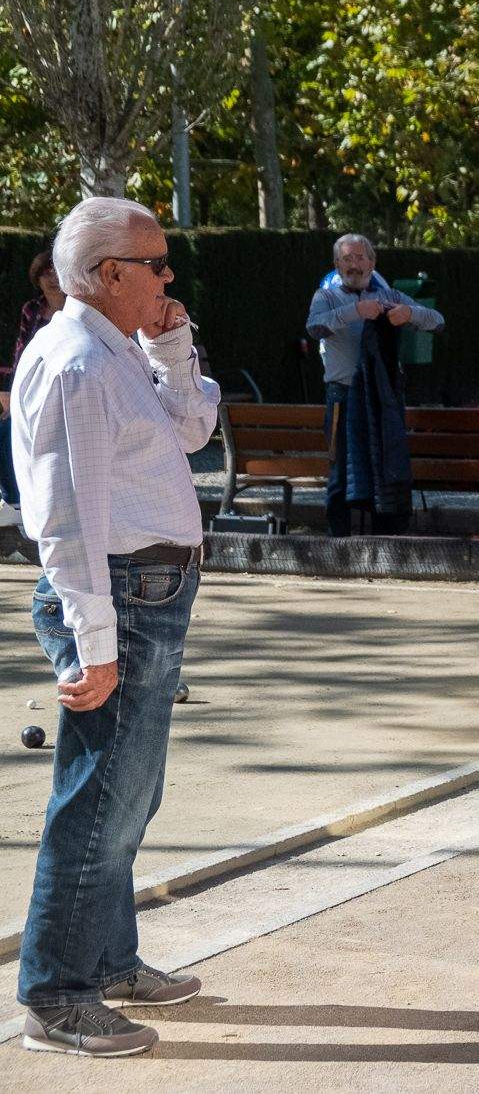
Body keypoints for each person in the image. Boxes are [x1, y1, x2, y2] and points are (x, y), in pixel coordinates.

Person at [12, 197, 220, 1057]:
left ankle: (108, 958)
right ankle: (58, 993)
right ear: (108, 276)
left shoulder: (116, 351)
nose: (168, 277)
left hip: (147, 594)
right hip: (122, 600)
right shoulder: (76, 363)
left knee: (128, 796)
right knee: (99, 800)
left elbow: (194, 427)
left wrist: (172, 344)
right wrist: (93, 639)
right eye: (157, 264)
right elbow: (65, 517)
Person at [306, 233, 446, 536]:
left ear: (372, 262)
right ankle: (337, 543)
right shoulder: (326, 297)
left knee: (385, 469)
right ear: (336, 264)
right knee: (341, 473)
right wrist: (355, 312)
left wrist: (410, 314)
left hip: (382, 400)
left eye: (360, 258)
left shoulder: (390, 296)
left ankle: (386, 540)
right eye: (347, 259)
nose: (354, 265)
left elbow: (437, 321)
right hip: (342, 397)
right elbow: (315, 327)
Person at [1, 250, 64, 525]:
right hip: (31, 386)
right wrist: (10, 393)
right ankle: (13, 498)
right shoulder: (32, 309)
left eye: (55, 271)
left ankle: (17, 500)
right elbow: (21, 354)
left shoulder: (76, 309)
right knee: (5, 426)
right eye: (44, 273)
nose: (51, 278)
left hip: (61, 385)